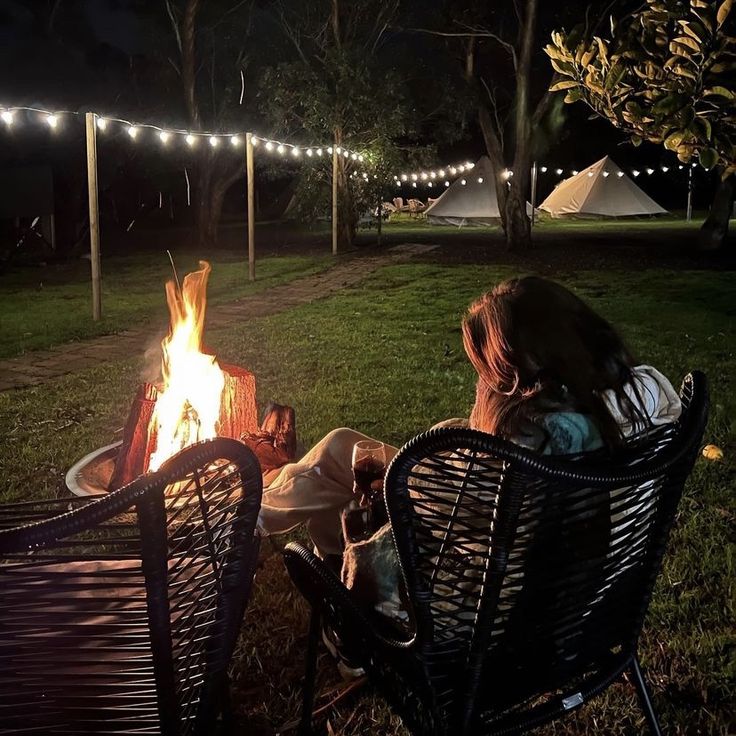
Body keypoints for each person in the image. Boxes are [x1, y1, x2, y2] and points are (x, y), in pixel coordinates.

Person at [257, 276, 682, 637]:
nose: (486, 380)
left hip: (475, 622)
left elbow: (423, 493)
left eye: (491, 369)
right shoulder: (646, 392)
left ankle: (251, 525)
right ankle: (258, 512)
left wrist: (470, 427)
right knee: (340, 446)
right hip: (594, 611)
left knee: (337, 461)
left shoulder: (533, 439)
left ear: (525, 361)